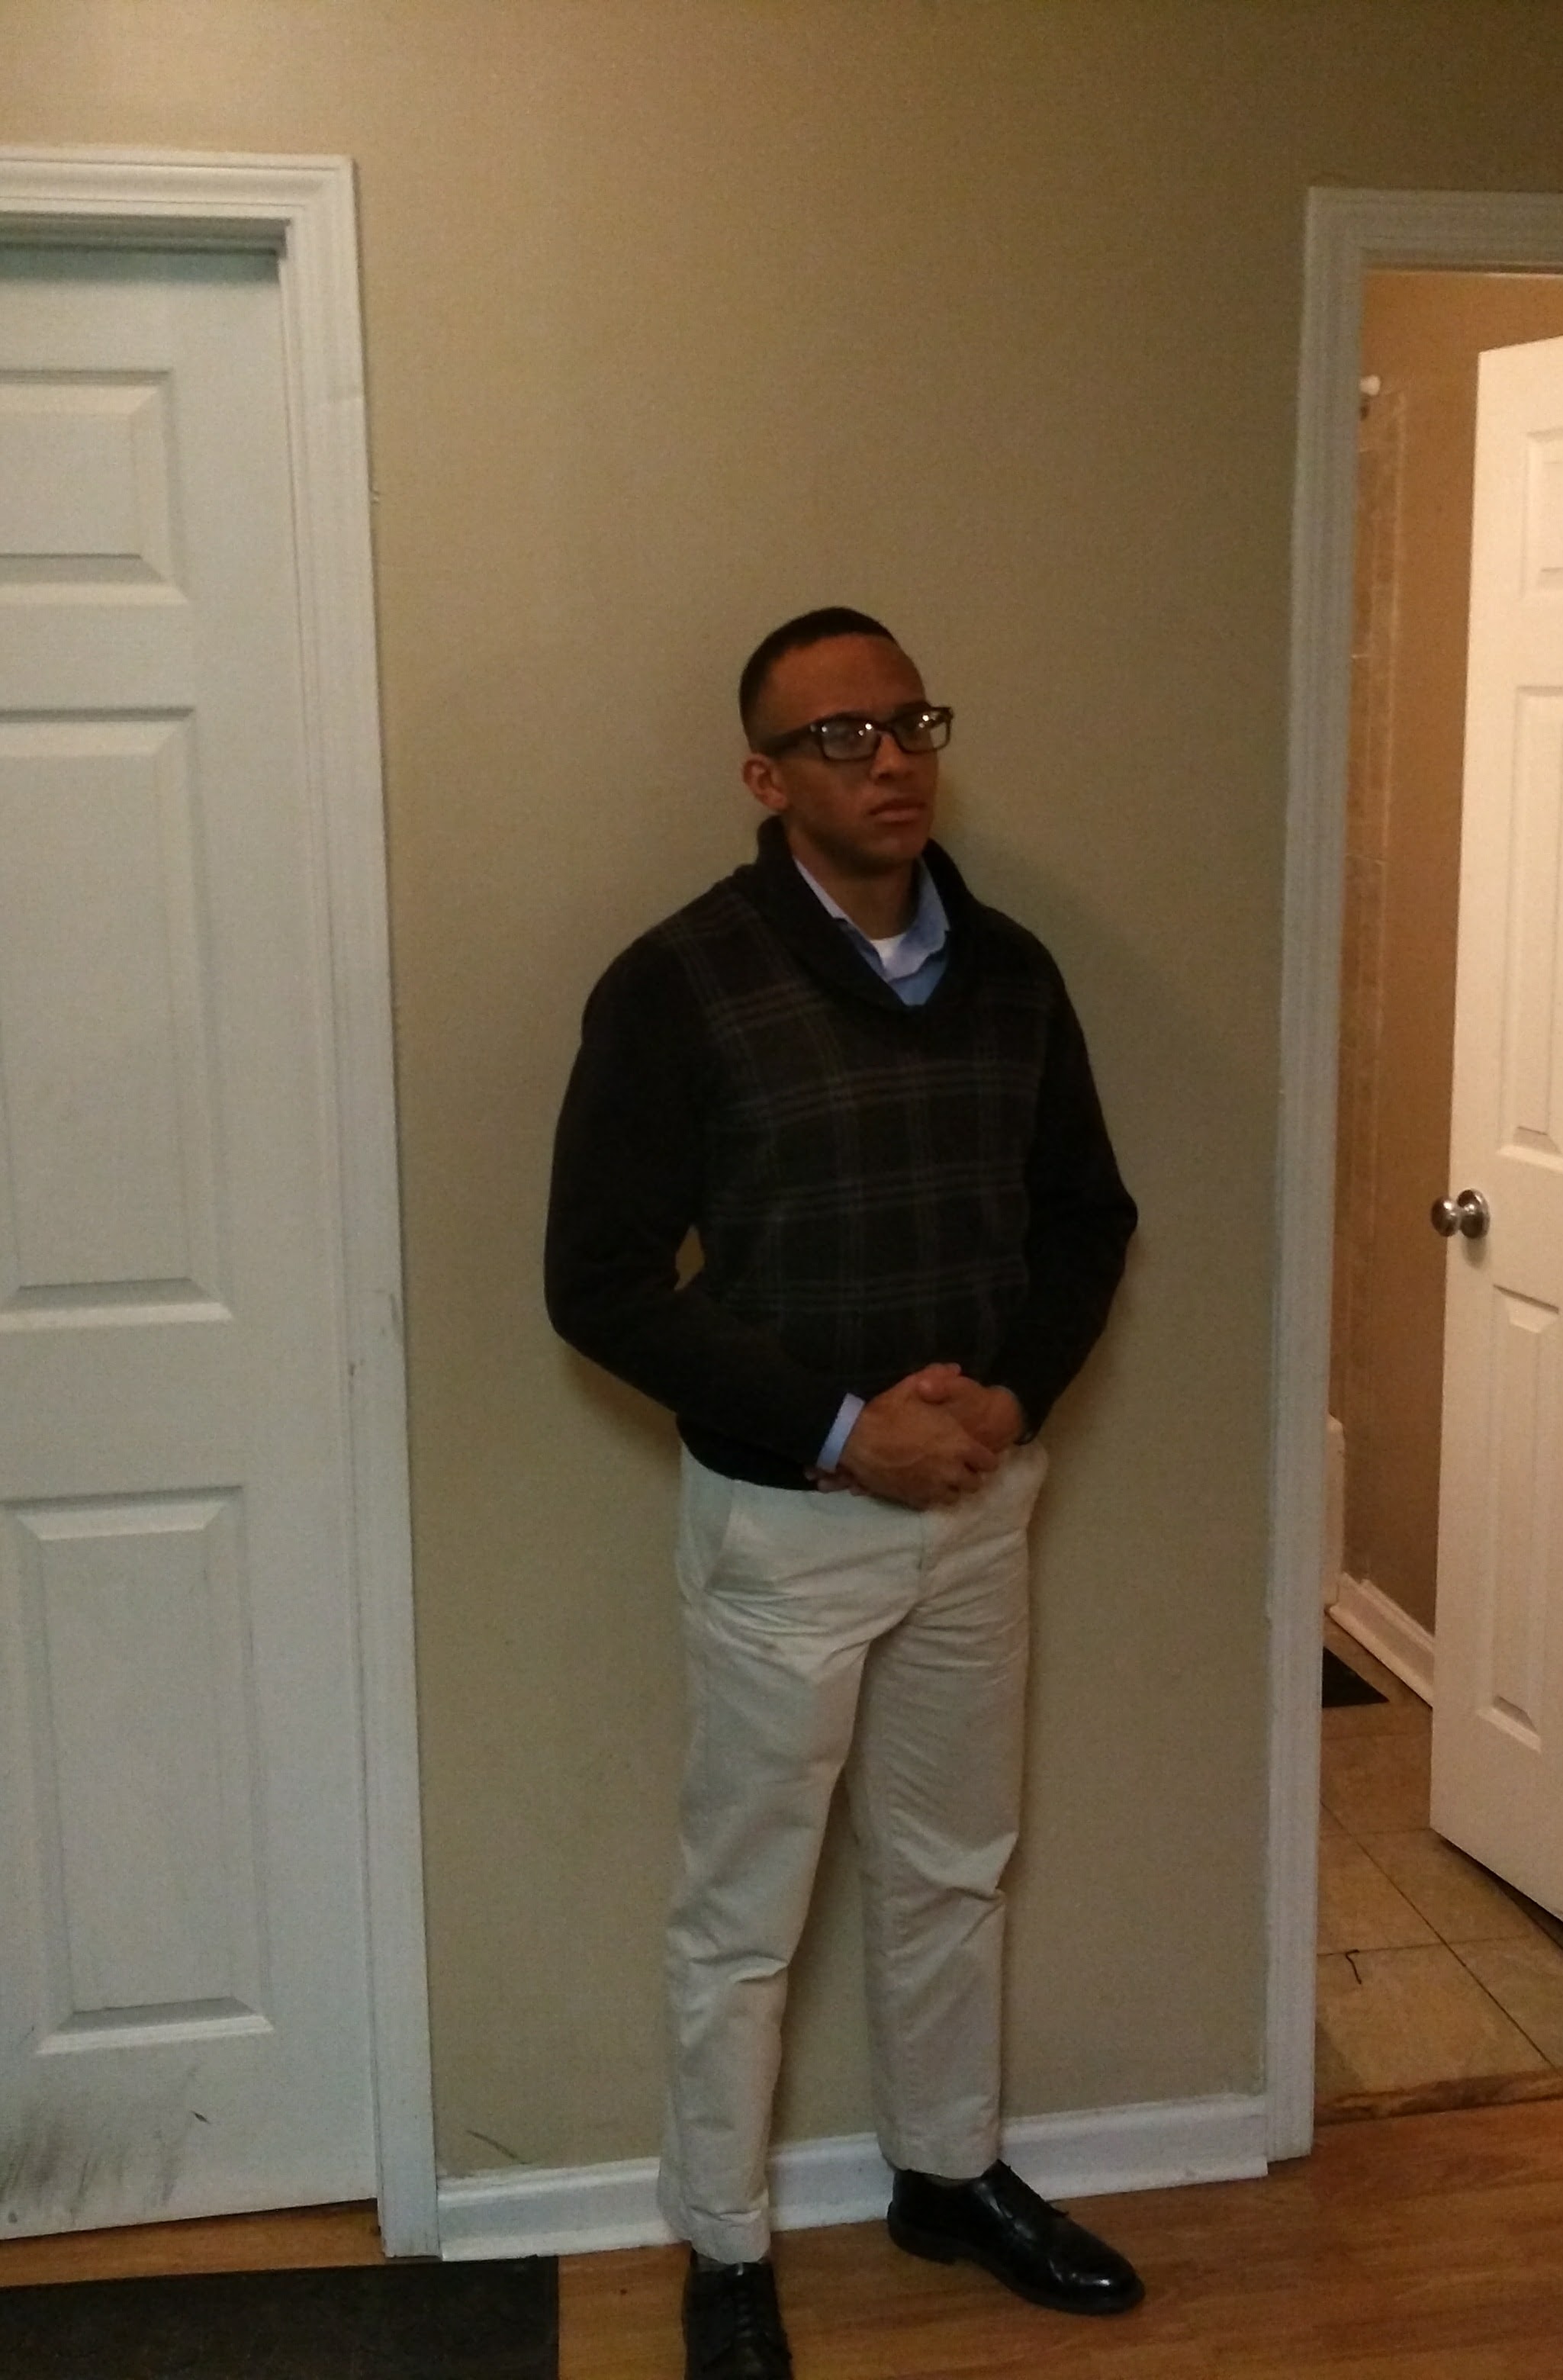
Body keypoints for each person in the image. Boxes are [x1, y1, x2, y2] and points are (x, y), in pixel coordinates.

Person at [545, 607, 1141, 2379]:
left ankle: (945, 2179)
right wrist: (834, 1427)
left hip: (977, 1502)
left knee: (953, 1868)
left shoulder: (1012, 971)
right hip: (783, 1526)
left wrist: (1008, 1396)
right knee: (744, 1914)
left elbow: (1083, 1219)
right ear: (763, 776)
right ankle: (724, 2247)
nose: (888, 760)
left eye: (908, 723)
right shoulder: (677, 984)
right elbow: (599, 1282)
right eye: (839, 737)